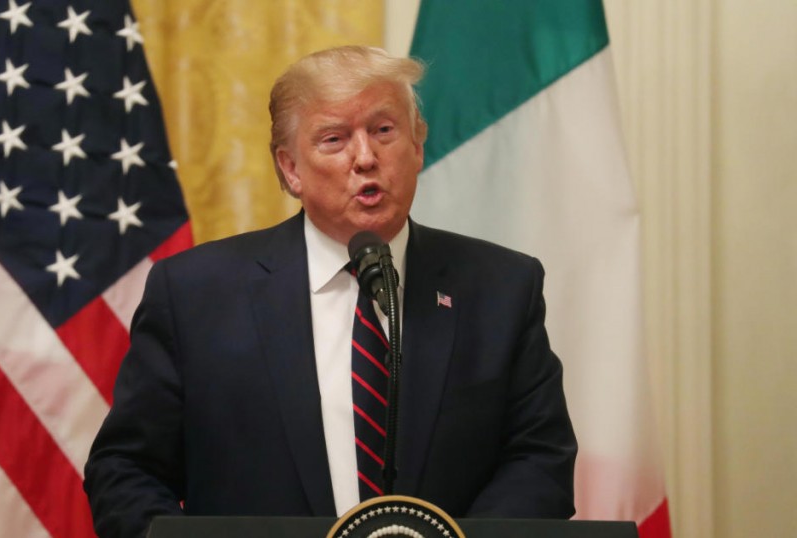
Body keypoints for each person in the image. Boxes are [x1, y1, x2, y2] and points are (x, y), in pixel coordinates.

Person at [83, 45, 577, 537]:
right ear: (291, 169)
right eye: (334, 139)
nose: (365, 158)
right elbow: (126, 469)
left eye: (384, 130)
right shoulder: (195, 294)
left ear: (417, 146)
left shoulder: (501, 287)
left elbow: (540, 458)